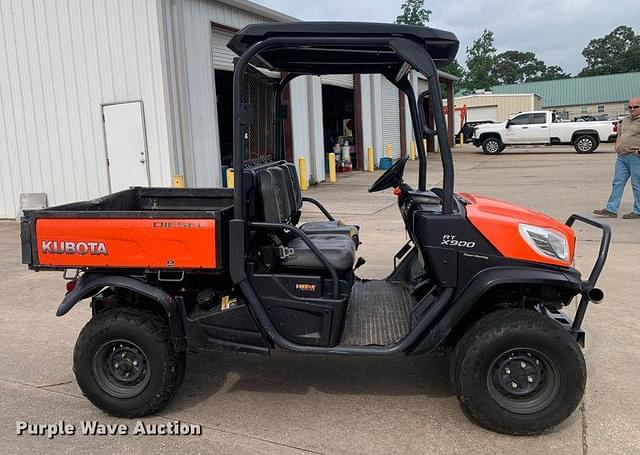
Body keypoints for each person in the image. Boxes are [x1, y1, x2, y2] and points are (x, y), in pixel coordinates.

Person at [593, 97, 640, 219]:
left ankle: (638, 210)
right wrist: (617, 146)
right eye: (630, 107)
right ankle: (611, 209)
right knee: (617, 182)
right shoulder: (625, 120)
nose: (632, 109)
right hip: (622, 157)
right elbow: (620, 133)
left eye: (635, 107)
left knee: (637, 184)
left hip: (636, 157)